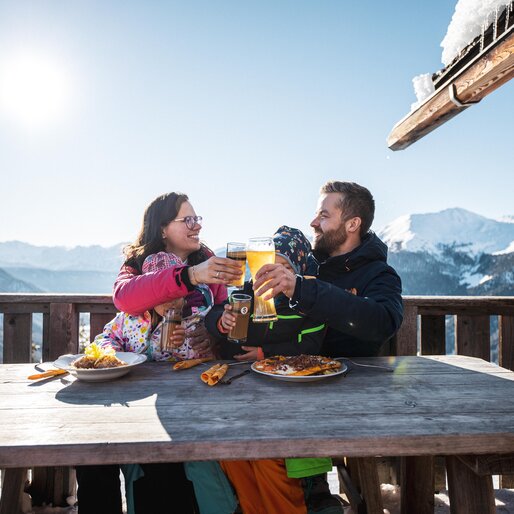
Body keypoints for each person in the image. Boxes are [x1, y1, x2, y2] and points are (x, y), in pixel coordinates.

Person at [76, 192, 242, 514]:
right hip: (143, 393)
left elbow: (218, 311)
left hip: (198, 385)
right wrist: (190, 277)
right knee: (96, 448)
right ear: (163, 228)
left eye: (198, 219)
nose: (196, 226)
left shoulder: (205, 257)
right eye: (187, 220)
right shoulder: (138, 266)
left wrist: (218, 327)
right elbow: (124, 302)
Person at [206, 226, 342, 514]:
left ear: (298, 271)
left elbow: (310, 345)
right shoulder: (249, 294)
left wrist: (263, 354)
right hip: (242, 391)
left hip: (291, 396)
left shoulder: (308, 304)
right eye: (268, 265)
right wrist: (222, 321)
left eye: (282, 267)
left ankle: (299, 496)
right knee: (230, 451)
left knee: (266, 453)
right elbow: (215, 314)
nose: (272, 274)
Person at [253, 181, 403, 358]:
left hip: (352, 381)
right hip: (285, 373)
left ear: (352, 224)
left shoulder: (378, 274)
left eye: (323, 216)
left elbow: (383, 323)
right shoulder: (305, 266)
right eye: (316, 215)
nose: (313, 223)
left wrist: (303, 290)